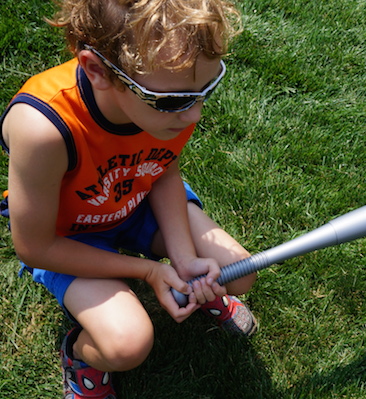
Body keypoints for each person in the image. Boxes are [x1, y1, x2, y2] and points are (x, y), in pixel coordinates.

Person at [0, 0, 257, 397]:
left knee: (240, 272)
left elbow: (162, 169)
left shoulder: (168, 97)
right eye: (173, 101)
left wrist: (184, 257)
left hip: (137, 201)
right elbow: (35, 247)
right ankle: (81, 355)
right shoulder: (44, 128)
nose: (195, 114)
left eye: (208, 87)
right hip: (70, 237)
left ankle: (196, 284)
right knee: (126, 344)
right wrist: (150, 272)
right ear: (98, 70)